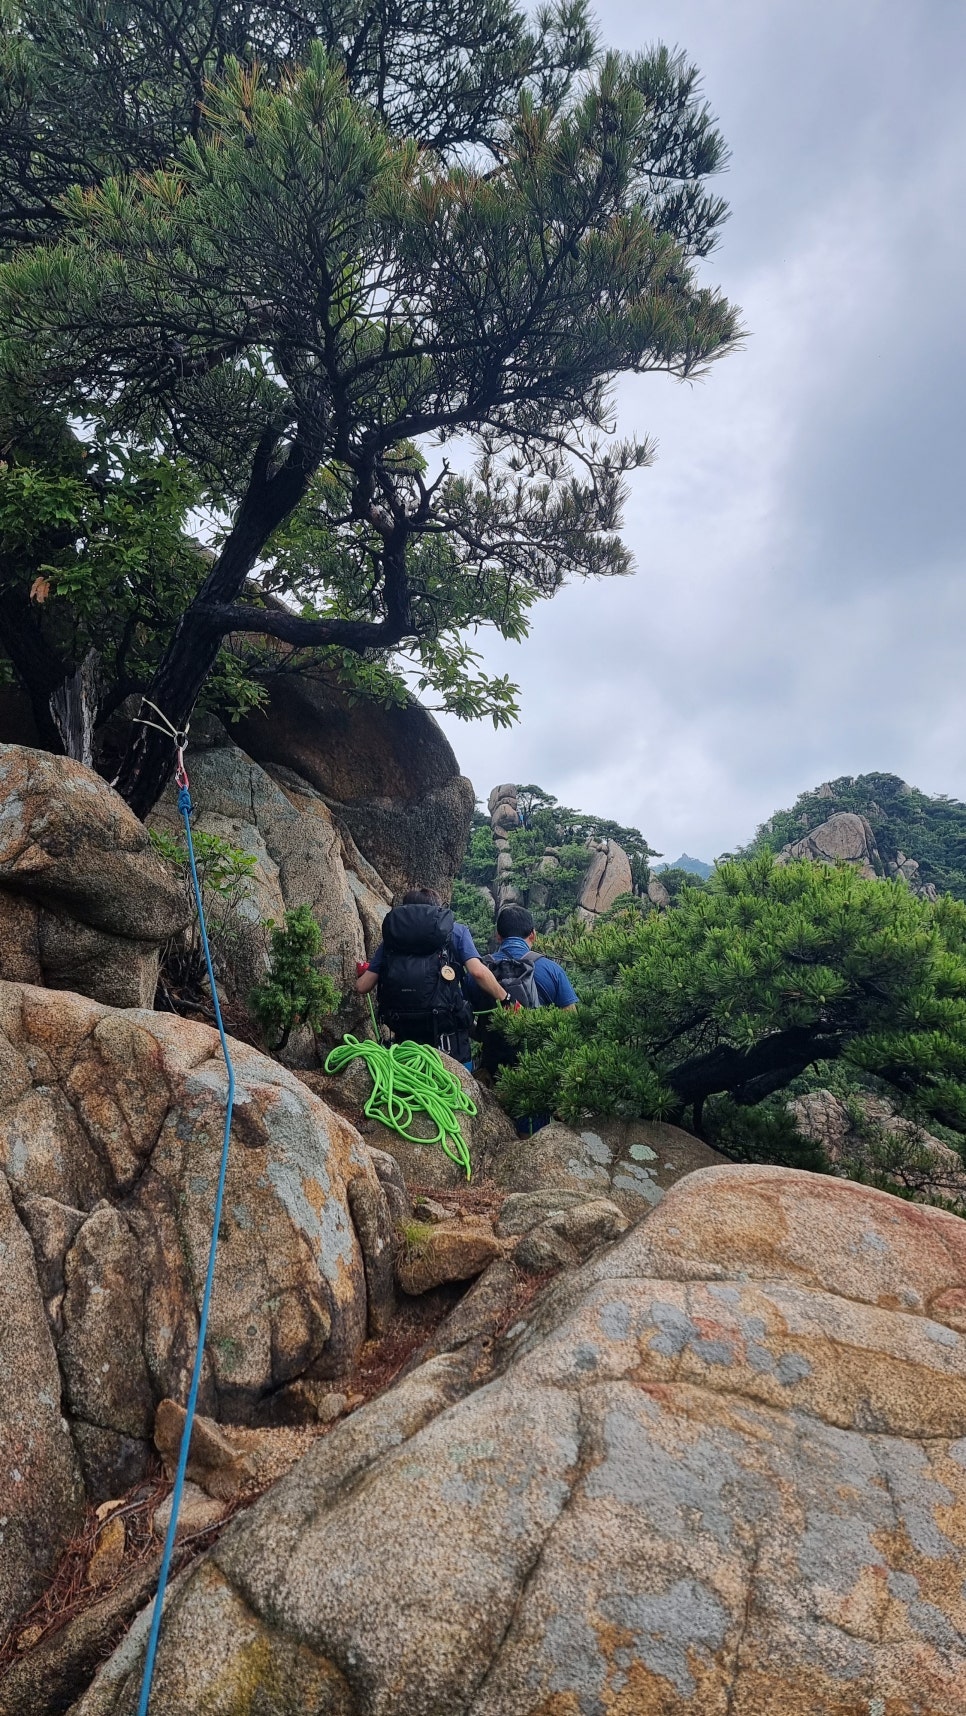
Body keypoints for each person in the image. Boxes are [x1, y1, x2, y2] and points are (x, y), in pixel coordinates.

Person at [355, 886, 512, 1068]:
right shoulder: (456, 932)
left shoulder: (393, 939)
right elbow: (478, 972)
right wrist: (505, 998)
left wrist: (361, 973)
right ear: (437, 910)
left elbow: (363, 986)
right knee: (455, 1093)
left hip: (405, 1047)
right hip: (450, 1048)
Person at [473, 906, 578, 1135]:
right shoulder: (552, 970)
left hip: (491, 1072)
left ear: (497, 936)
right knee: (533, 1138)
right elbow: (572, 1023)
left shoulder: (479, 971)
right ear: (533, 935)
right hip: (536, 1073)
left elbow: (465, 1016)